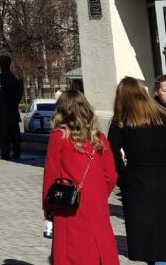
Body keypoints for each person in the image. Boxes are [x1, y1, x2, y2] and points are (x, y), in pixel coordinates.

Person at [42, 89, 118, 264]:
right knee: (99, 244)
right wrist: (100, 193)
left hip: (68, 204)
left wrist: (48, 206)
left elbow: (51, 175)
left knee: (71, 250)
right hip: (96, 202)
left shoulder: (59, 136)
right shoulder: (99, 138)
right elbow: (111, 175)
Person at [107, 77, 166, 265]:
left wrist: (122, 174)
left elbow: (111, 152)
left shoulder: (121, 121)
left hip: (137, 181)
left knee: (147, 236)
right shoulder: (161, 115)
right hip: (162, 176)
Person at [0, 54, 24, 160]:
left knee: (5, 133)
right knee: (15, 132)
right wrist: (14, 102)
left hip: (4, 111)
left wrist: (5, 102)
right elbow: (20, 92)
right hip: (13, 110)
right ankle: (17, 152)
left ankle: (5, 154)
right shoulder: (14, 77)